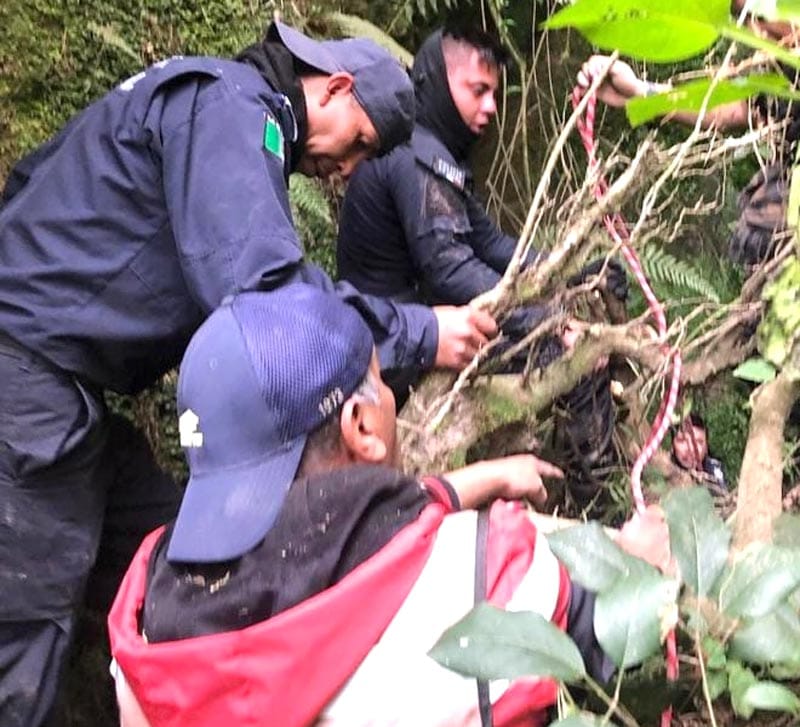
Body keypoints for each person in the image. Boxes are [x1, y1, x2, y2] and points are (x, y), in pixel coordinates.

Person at [0, 20, 497, 726]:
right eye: (359, 141)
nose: (348, 168)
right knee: (20, 639)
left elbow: (29, 185)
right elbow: (271, 304)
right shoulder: (235, 109)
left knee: (185, 557)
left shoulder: (205, 101)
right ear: (335, 86)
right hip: (26, 387)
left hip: (68, 391)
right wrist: (423, 331)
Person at [108, 284, 671, 727]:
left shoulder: (142, 644)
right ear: (361, 426)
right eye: (380, 382)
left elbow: (327, 539)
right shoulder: (488, 576)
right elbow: (616, 645)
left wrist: (468, 482)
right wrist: (645, 564)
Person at [336, 23, 624, 509]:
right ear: (436, 80)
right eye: (478, 91)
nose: (490, 106)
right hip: (396, 350)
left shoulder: (431, 152)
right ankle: (599, 500)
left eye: (493, 93)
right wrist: (548, 325)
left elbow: (490, 244)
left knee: (576, 338)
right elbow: (452, 271)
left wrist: (573, 270)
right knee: (576, 362)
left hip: (413, 330)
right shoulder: (415, 157)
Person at [577, 1, 799, 269]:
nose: (757, 31)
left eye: (761, 14)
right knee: (760, 231)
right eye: (743, 17)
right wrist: (639, 92)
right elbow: (734, 109)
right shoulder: (777, 61)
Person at [671, 413, 728, 494]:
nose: (691, 448)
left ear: (706, 447)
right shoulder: (662, 469)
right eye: (682, 440)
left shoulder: (714, 470)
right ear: (672, 445)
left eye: (699, 442)